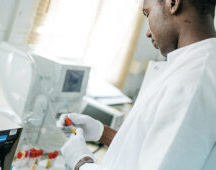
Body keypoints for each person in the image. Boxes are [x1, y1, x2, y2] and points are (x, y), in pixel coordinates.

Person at [57, 0, 216, 169]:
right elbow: (160, 148)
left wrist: (82, 163)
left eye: (148, 13)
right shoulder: (196, 67)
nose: (148, 33)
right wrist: (103, 133)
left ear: (173, 3)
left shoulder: (192, 83)